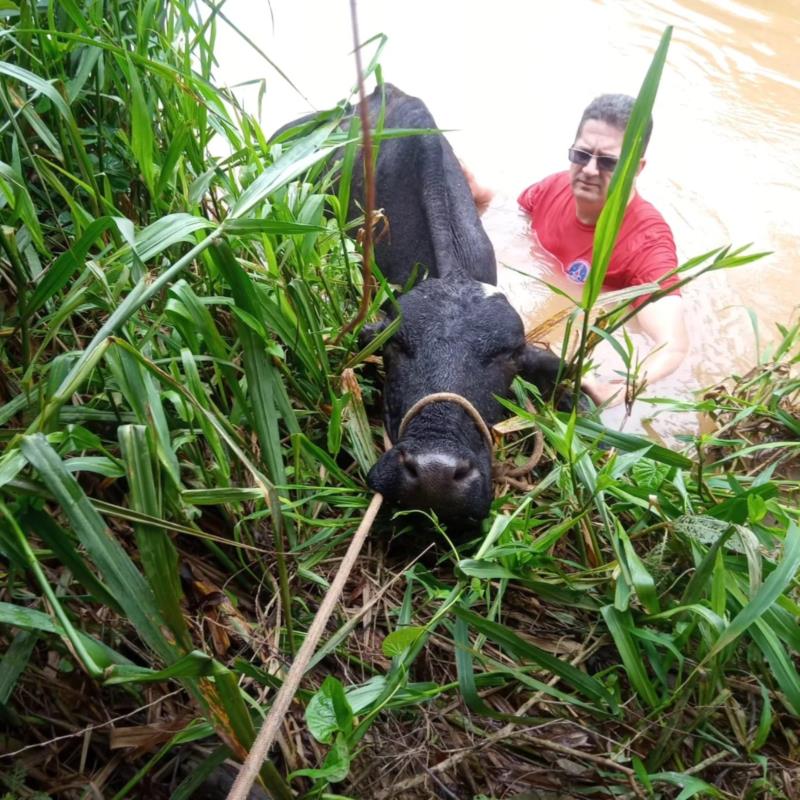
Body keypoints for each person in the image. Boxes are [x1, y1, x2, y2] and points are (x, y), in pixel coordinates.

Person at [466, 94, 689, 407]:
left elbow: (672, 346)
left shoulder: (648, 242)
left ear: (636, 168)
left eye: (609, 162)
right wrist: (481, 195)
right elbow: (512, 220)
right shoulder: (552, 187)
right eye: (582, 155)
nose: (589, 170)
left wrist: (625, 387)